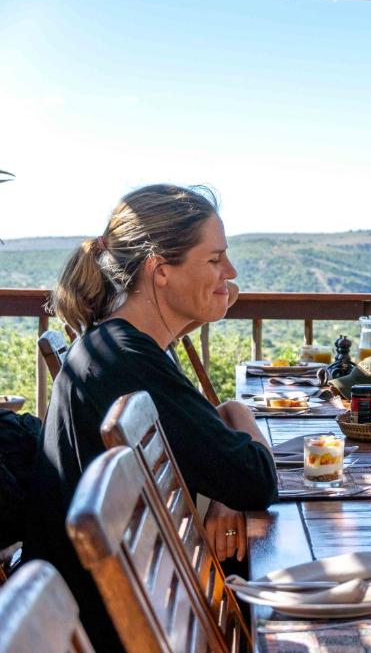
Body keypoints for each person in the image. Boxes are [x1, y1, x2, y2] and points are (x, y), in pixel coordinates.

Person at [22, 184, 277, 651]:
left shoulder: (118, 343)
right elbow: (256, 479)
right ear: (160, 270)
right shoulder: (127, 362)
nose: (231, 272)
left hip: (133, 609)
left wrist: (223, 487)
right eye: (214, 259)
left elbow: (222, 463)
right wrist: (239, 412)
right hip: (111, 629)